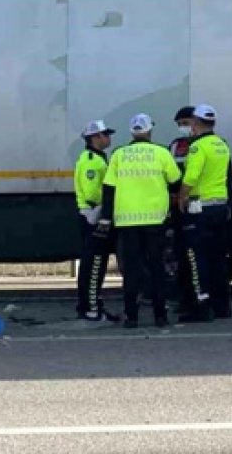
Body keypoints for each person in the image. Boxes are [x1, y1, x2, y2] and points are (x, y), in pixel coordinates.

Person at [95, 113, 182, 328]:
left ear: (132, 131)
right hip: (155, 220)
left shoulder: (118, 155)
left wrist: (106, 218)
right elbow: (175, 181)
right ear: (149, 130)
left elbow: (109, 189)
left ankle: (131, 317)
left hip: (126, 222)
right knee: (157, 268)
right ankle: (160, 316)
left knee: (131, 271)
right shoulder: (161, 153)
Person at [175, 103, 232, 322]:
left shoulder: (197, 147)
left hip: (199, 208)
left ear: (197, 123)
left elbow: (191, 177)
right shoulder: (222, 145)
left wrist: (181, 196)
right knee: (218, 259)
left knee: (196, 259)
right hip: (219, 207)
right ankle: (223, 306)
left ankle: (202, 306)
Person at [74, 119, 120, 322]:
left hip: (93, 215)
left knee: (95, 265)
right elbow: (93, 193)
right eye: (105, 134)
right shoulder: (92, 161)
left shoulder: (97, 158)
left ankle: (90, 306)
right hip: (94, 216)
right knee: (94, 265)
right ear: (95, 137)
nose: (108, 138)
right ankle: (91, 309)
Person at [166, 105, 199, 316]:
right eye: (179, 125)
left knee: (198, 257)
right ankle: (185, 299)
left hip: (197, 206)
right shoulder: (175, 146)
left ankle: (201, 299)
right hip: (178, 207)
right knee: (181, 256)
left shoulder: (203, 145)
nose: (182, 128)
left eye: (185, 123)